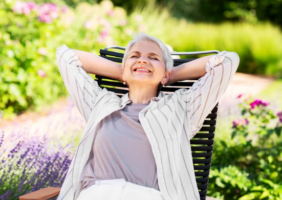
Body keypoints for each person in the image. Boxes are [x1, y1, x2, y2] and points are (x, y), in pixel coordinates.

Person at [55, 32, 239, 200]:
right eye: (135, 56)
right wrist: (123, 71)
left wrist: (169, 74)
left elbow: (227, 61)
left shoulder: (181, 109)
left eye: (153, 57)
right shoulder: (100, 104)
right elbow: (66, 57)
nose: (142, 60)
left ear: (166, 73)